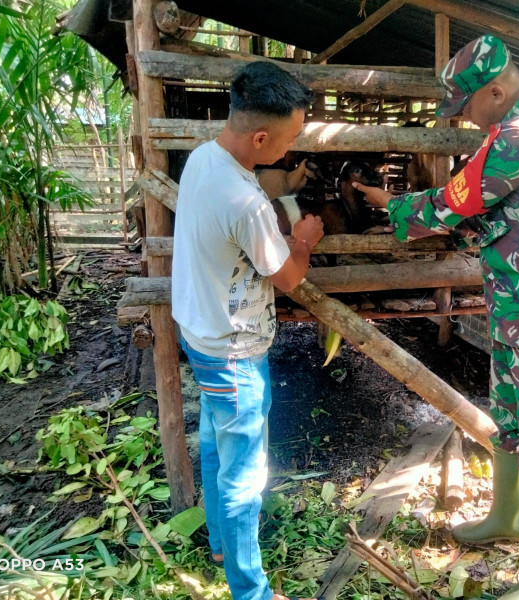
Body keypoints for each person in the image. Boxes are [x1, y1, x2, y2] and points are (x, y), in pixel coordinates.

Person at [354, 35, 519, 600]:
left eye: (466, 105)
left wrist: (391, 207)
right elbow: (496, 214)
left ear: (497, 90)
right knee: (516, 417)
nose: (463, 118)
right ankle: (509, 519)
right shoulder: (514, 127)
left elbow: (453, 204)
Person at [171, 61, 324, 600]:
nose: (293, 144)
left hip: (200, 337)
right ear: (261, 137)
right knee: (245, 478)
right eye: (291, 137)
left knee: (214, 446)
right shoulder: (249, 203)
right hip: (235, 356)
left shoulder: (201, 161)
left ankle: (220, 544)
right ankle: (250, 590)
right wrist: (304, 237)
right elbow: (285, 278)